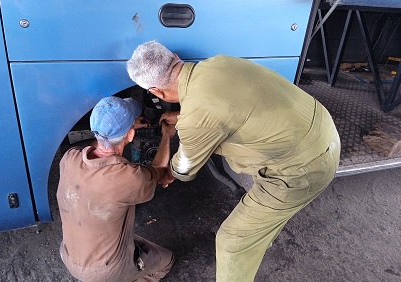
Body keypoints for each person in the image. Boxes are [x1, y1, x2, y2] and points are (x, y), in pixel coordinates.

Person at [126, 40, 341, 281]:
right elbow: (224, 105)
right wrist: (186, 116)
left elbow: (183, 170)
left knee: (232, 242)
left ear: (155, 91)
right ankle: (258, 237)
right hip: (323, 129)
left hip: (302, 168)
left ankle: (249, 243)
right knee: (257, 217)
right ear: (175, 56)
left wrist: (168, 141)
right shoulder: (219, 63)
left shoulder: (195, 121)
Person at [57, 96, 175, 282]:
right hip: (104, 271)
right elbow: (159, 171)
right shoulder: (128, 177)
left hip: (69, 255)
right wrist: (167, 134)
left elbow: (101, 143)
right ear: (129, 135)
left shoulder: (69, 158)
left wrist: (128, 128)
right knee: (166, 260)